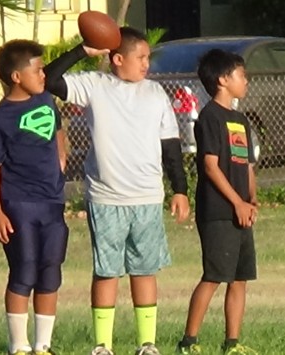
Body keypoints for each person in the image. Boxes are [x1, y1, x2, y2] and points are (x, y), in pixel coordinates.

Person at [43, 27, 190, 355]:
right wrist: (83, 51)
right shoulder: (95, 86)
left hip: (147, 197)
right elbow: (49, 79)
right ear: (117, 58)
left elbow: (170, 146)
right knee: (107, 271)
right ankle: (102, 345)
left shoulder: (155, 93)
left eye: (148, 58)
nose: (145, 64)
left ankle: (147, 343)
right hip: (107, 197)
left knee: (144, 269)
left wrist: (179, 189)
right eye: (140, 57)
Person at [0, 39, 68, 355]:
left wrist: (61, 155)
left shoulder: (46, 100)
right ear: (17, 76)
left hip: (52, 201)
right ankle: (18, 345)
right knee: (25, 268)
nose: (44, 75)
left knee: (50, 269)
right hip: (18, 203)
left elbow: (58, 129)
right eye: (38, 70)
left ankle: (43, 345)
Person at [175, 49, 258, 355]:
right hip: (219, 211)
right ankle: (189, 341)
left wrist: (252, 199)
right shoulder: (210, 117)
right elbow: (211, 166)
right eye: (241, 75)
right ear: (223, 80)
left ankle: (232, 343)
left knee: (240, 278)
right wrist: (236, 202)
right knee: (214, 276)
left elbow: (247, 165)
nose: (246, 80)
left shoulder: (241, 120)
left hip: (242, 209)